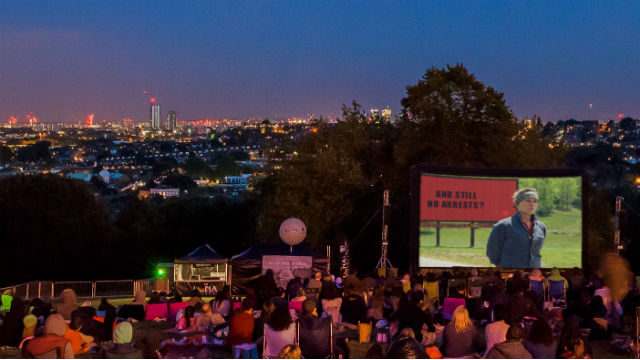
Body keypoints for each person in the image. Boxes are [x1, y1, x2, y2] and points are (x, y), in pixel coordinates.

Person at [486, 188, 547, 268]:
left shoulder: (541, 227)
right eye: (528, 201)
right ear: (517, 204)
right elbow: (492, 251)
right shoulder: (503, 226)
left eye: (535, 201)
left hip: (535, 273)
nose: (532, 204)